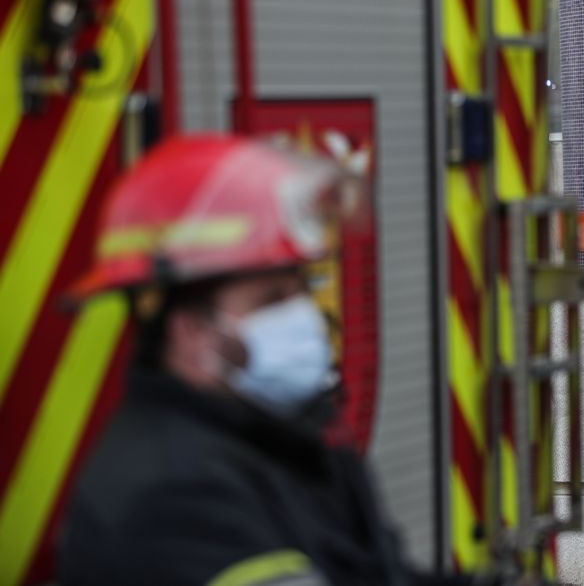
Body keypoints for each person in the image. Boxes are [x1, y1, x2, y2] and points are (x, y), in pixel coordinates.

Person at [58, 136, 475, 586]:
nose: (305, 317)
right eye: (272, 300)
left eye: (302, 290)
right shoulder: (176, 499)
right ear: (193, 334)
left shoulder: (275, 445)